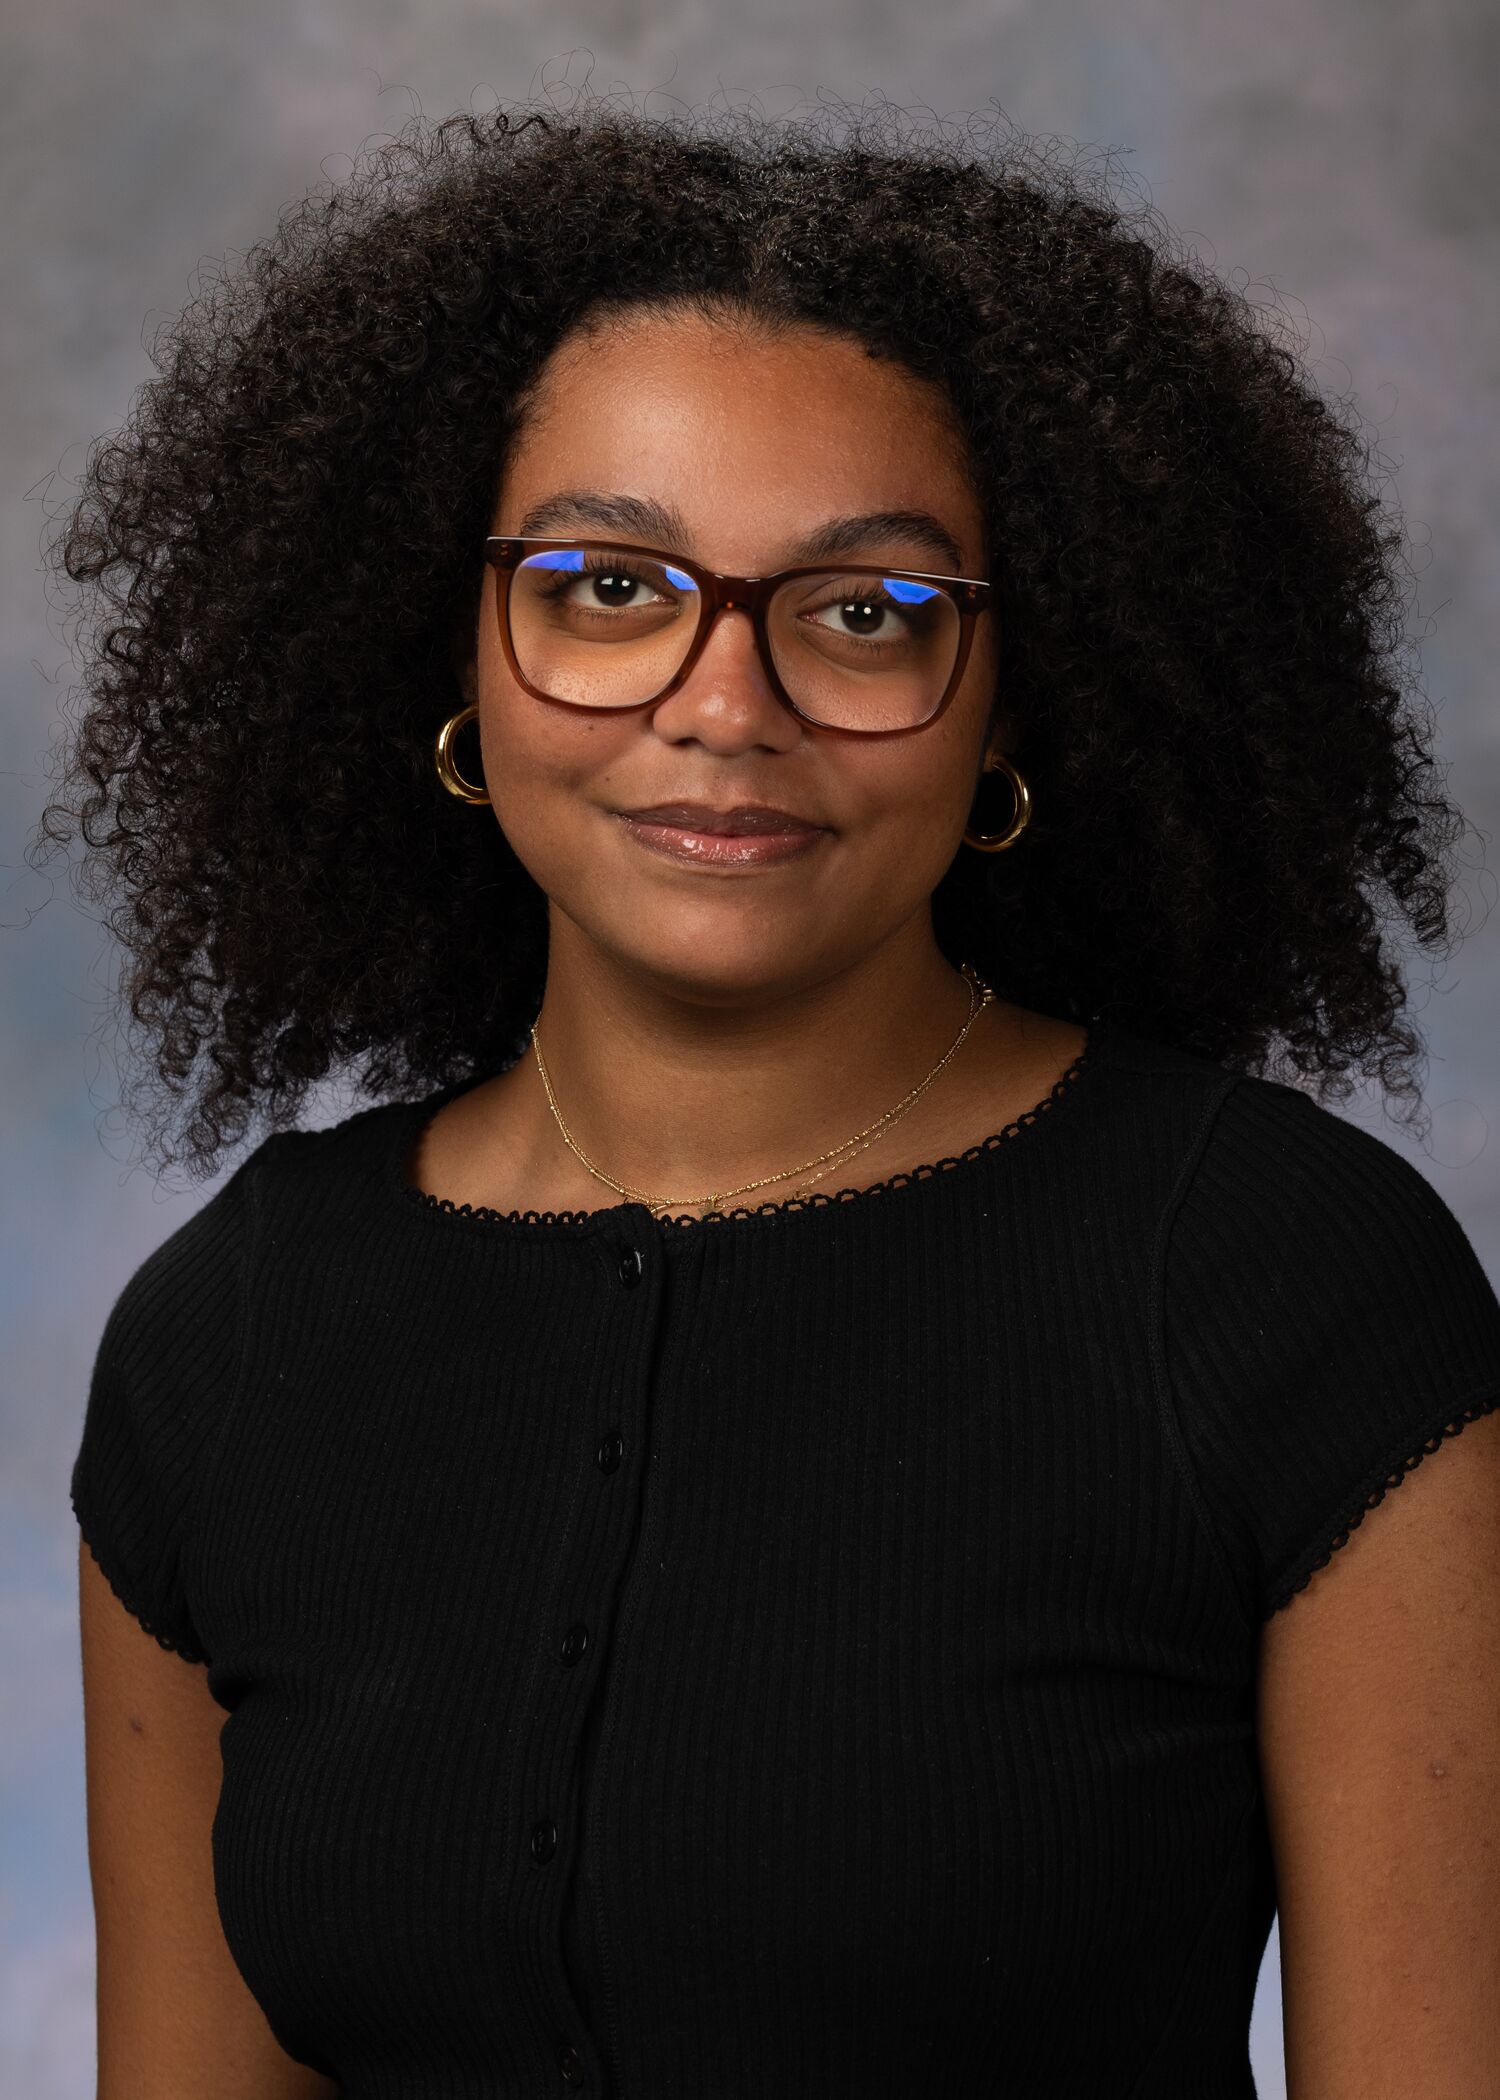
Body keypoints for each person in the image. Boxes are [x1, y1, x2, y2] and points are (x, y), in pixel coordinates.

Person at [42, 94, 1500, 2099]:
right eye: (607, 587)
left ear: (1016, 686)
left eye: (870, 613)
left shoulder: (1282, 1288)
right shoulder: (227, 1338)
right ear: (456, 649)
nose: (723, 707)